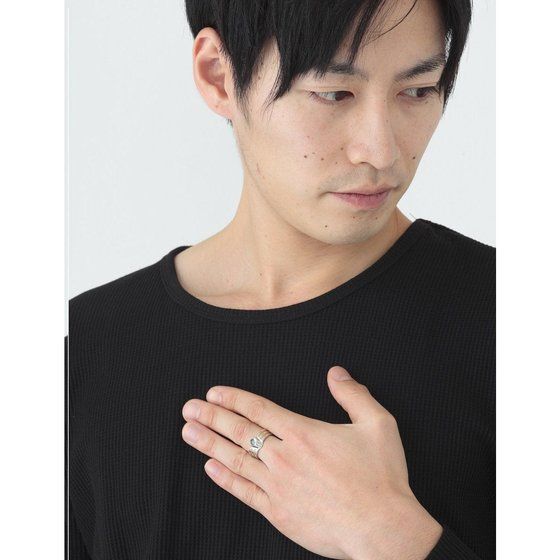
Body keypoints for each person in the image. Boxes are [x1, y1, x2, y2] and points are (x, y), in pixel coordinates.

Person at [66, 0, 495, 558]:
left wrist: (393, 536)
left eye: (417, 91)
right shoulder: (89, 351)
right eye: (334, 94)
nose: (380, 150)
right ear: (218, 75)